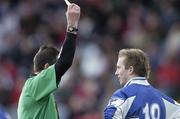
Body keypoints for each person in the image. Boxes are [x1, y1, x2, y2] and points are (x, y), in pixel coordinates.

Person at [17, 3, 80, 119]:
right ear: (46, 67)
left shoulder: (42, 92)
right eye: (55, 65)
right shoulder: (33, 86)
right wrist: (72, 25)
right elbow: (64, 62)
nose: (61, 74)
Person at [104, 48, 180, 119]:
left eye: (119, 67)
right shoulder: (164, 100)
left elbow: (110, 116)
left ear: (130, 70)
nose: (116, 73)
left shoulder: (123, 95)